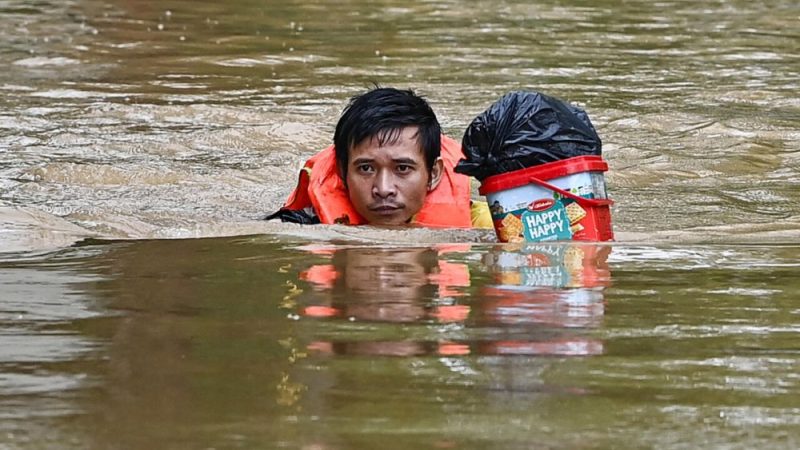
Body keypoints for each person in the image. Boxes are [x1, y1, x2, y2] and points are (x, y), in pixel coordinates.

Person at [266, 87, 492, 228]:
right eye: (366, 168)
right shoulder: (300, 225)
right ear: (343, 173)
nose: (383, 189)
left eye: (402, 168)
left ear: (433, 174)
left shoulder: (486, 226)